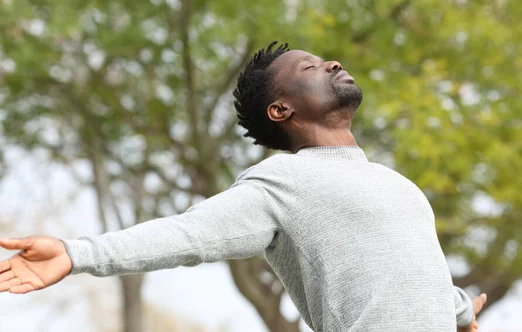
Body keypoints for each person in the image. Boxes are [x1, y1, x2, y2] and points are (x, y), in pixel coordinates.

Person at [0, 42, 486, 331]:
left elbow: (409, 284)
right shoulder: (283, 182)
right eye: (311, 68)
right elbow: (189, 234)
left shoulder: (399, 185)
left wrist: (461, 310)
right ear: (282, 110)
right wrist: (77, 252)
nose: (333, 63)